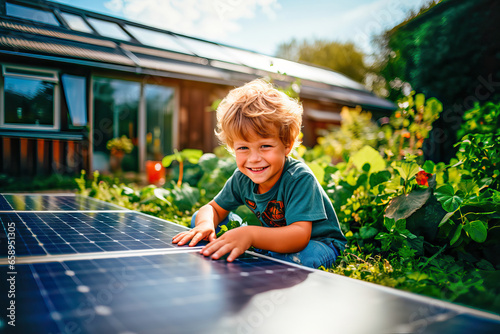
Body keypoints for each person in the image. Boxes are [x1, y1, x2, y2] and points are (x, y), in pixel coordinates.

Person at [172, 79, 346, 269]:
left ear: (286, 145)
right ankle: (258, 245)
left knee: (296, 260)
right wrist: (204, 224)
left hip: (318, 242)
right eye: (243, 148)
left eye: (265, 146)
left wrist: (251, 235)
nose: (254, 158)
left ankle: (261, 245)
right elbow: (212, 208)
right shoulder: (242, 178)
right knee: (199, 217)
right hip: (278, 236)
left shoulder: (299, 178)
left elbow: (299, 236)